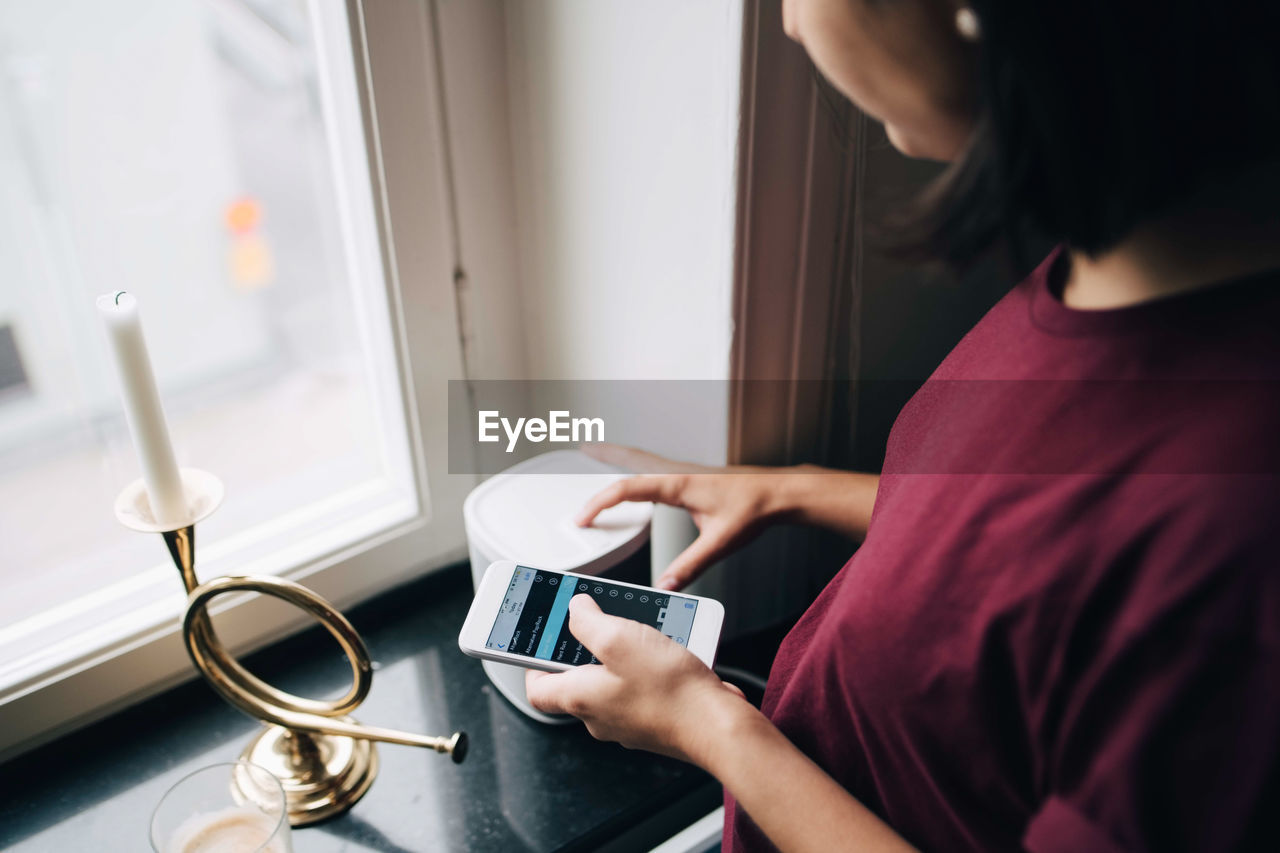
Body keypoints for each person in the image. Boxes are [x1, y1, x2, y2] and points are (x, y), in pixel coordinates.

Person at [524, 1, 1280, 850]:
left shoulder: (1235, 568)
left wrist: (713, 729)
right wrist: (793, 489)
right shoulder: (1122, 265)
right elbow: (1035, 554)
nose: (790, 26)